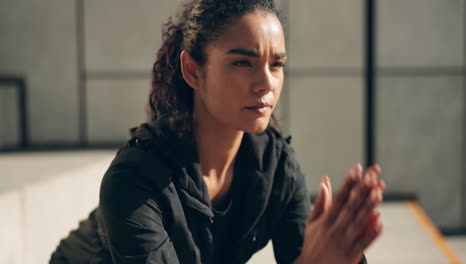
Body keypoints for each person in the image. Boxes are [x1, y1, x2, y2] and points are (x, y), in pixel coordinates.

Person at [50, 0, 385, 263]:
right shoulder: (136, 180)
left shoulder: (275, 165)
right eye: (243, 62)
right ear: (193, 71)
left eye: (277, 64)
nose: (267, 82)